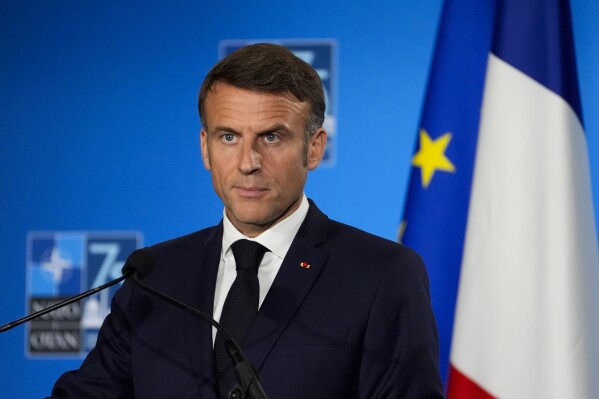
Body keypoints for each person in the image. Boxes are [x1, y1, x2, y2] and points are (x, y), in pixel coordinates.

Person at [48, 43, 444, 398]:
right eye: (228, 137)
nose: (248, 163)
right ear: (205, 148)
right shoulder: (153, 280)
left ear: (314, 148)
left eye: (271, 137)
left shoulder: (380, 275)